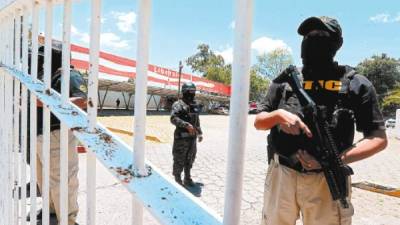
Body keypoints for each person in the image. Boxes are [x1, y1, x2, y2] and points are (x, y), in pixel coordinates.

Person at [254, 16, 388, 225]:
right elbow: (259, 121)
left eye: (321, 36)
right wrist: (278, 116)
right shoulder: (287, 81)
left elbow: (378, 138)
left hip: (327, 180)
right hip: (282, 175)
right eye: (309, 36)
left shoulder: (355, 84)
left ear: (337, 44)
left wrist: (334, 161)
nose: (313, 41)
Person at [28, 47, 86, 225]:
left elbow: (83, 100)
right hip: (41, 133)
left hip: (57, 133)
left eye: (44, 57)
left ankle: (68, 220)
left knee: (62, 179)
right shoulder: (48, 76)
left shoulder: (70, 74)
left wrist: (44, 101)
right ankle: (52, 209)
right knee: (43, 177)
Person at [170, 82, 203, 186]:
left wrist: (200, 133)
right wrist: (186, 125)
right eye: (190, 92)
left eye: (194, 92)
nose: (192, 94)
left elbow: (196, 120)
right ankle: (177, 179)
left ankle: (187, 178)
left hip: (192, 139)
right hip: (181, 139)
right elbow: (173, 118)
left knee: (190, 158)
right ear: (185, 92)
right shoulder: (178, 104)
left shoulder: (194, 104)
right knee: (179, 159)